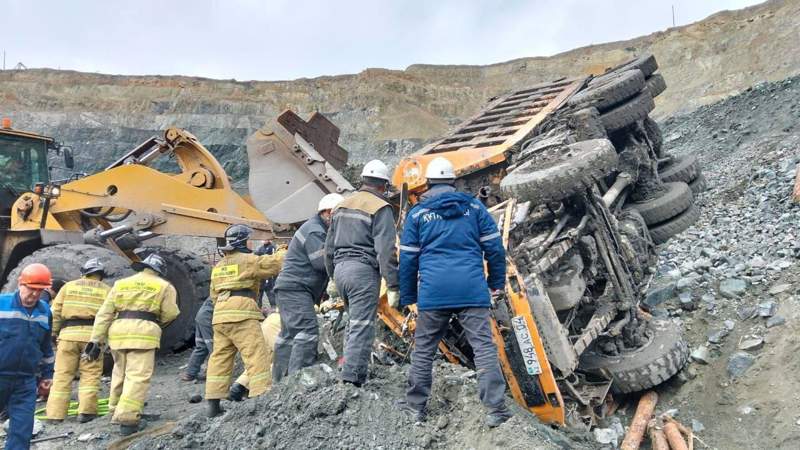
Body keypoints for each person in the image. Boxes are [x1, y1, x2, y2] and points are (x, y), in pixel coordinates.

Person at [396, 157, 512, 427]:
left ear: (427, 182)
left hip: (434, 293)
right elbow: (495, 249)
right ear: (453, 181)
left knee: (424, 350)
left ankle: (415, 407)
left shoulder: (417, 214)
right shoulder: (474, 208)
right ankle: (495, 410)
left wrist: (409, 296)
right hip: (472, 289)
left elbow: (408, 261)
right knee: (484, 347)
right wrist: (496, 283)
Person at [85, 254, 179, 436]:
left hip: (118, 332)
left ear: (143, 267)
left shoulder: (121, 284)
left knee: (120, 372)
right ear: (159, 270)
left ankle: (115, 410)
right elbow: (171, 313)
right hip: (144, 333)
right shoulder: (164, 286)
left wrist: (96, 339)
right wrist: (155, 323)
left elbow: (104, 314)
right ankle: (127, 420)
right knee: (137, 376)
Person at [324, 160, 399, 387]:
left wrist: (332, 277)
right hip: (362, 272)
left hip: (340, 270)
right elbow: (386, 251)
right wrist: (394, 284)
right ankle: (352, 379)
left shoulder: (342, 206)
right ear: (384, 185)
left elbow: (328, 248)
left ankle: (347, 369)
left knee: (352, 323)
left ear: (363, 180)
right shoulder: (380, 208)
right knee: (361, 325)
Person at [205, 224, 285, 418]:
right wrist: (284, 246)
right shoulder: (248, 260)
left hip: (220, 315)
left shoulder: (220, 266)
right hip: (241, 312)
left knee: (220, 359)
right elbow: (276, 264)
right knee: (256, 355)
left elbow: (214, 295)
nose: (252, 242)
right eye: (249, 238)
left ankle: (213, 406)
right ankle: (260, 398)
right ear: (242, 240)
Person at [272, 193, 344, 382]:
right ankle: (299, 380)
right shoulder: (315, 231)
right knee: (307, 330)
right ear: (328, 213)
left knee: (288, 336)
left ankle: (280, 382)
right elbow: (321, 262)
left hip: (290, 289)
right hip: (296, 289)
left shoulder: (316, 227)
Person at [45, 259, 111, 423]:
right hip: (93, 339)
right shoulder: (108, 290)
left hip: (68, 336)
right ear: (101, 275)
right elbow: (111, 316)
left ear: (84, 272)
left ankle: (55, 415)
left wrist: (53, 334)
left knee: (62, 375)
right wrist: (105, 340)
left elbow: (55, 312)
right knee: (90, 374)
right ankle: (86, 413)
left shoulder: (68, 287)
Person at [0, 263, 55, 450]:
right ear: (20, 284)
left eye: (40, 291)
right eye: (31, 289)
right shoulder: (2, 303)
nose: (34, 295)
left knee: (22, 432)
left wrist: (47, 376)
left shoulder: (45, 311)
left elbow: (46, 348)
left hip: (25, 382)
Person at [228, 311, 282, 401]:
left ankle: (239, 386)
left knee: (263, 360)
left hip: (270, 321)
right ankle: (261, 391)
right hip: (278, 324)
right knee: (283, 358)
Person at [180, 296, 213, 382]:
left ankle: (190, 374)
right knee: (215, 349)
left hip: (202, 316)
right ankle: (213, 374)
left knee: (201, 347)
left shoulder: (219, 286)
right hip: (208, 317)